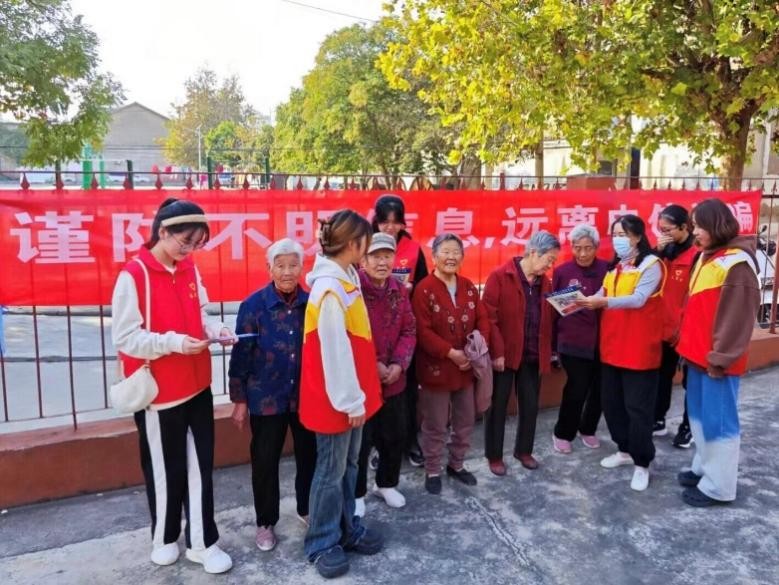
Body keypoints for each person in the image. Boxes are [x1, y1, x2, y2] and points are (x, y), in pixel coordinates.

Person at [111, 198, 235, 574]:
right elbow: (126, 338)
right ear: (162, 231)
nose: (189, 249)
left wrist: (216, 330)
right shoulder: (134, 275)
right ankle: (164, 537)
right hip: (160, 392)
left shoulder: (189, 268)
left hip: (197, 384)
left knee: (200, 468)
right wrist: (175, 342)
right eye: (185, 241)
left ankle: (202, 542)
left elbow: (200, 314)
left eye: (197, 243)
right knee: (166, 471)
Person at [299, 209, 384, 579]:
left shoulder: (345, 277)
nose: (369, 248)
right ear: (353, 244)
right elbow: (334, 351)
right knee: (330, 472)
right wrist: (351, 401)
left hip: (351, 396)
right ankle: (321, 541)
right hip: (338, 399)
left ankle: (346, 528)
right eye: (366, 242)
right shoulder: (330, 289)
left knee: (349, 466)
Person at [228, 238, 316, 552]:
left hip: (305, 396)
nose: (287, 271)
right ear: (270, 269)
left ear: (302, 267)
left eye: (293, 265)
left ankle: (307, 508)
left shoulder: (312, 303)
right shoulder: (253, 306)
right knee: (265, 460)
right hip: (265, 398)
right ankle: (265, 522)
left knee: (310, 456)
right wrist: (239, 400)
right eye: (281, 265)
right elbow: (241, 355)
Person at [675, 199, 760, 507]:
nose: (695, 232)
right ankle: (704, 467)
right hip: (697, 356)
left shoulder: (737, 263)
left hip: (716, 362)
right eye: (694, 225)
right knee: (700, 419)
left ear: (717, 225)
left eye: (700, 226)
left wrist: (720, 359)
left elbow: (737, 319)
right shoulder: (707, 255)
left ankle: (719, 487)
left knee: (719, 424)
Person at [577, 214, 665, 492]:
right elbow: (601, 292)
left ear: (637, 236)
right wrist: (580, 300)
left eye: (622, 234)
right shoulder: (615, 267)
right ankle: (624, 449)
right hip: (612, 347)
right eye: (614, 234)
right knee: (612, 404)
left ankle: (642, 463)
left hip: (639, 349)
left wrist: (602, 302)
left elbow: (638, 299)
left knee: (638, 409)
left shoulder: (651, 265)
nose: (617, 240)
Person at [412, 233, 490, 494]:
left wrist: (473, 351)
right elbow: (422, 331)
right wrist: (450, 353)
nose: (451, 257)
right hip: (436, 369)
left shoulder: (468, 286)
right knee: (435, 424)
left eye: (456, 252)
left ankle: (456, 464)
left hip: (466, 368)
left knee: (465, 420)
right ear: (434, 257)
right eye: (445, 252)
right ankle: (433, 468)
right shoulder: (424, 289)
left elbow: (483, 320)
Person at [482, 231, 559, 475]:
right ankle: (494, 455)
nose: (550, 265)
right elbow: (489, 319)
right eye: (549, 259)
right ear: (534, 253)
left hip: (532, 355)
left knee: (530, 405)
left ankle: (524, 451)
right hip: (504, 356)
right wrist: (497, 352)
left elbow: (548, 317)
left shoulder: (545, 283)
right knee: (497, 406)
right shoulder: (500, 276)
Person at [354, 233, 417, 516]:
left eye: (387, 256)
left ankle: (386, 484)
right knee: (361, 442)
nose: (382, 262)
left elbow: (409, 329)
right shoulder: (353, 291)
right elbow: (352, 335)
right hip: (363, 382)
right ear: (363, 260)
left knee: (395, 435)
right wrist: (375, 364)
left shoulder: (399, 290)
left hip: (394, 379)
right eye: (375, 256)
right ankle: (356, 493)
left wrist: (399, 364)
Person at [372, 194, 428, 467]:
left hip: (405, 330)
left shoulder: (414, 249)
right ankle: (376, 447)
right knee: (375, 392)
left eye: (396, 222)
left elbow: (425, 287)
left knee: (407, 391)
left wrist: (411, 289)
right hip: (373, 332)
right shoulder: (365, 244)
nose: (390, 227)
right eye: (385, 221)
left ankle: (410, 441)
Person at [551, 224, 609, 455]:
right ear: (571, 247)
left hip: (604, 341)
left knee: (601, 390)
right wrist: (553, 347)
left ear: (596, 247)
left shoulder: (608, 269)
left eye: (588, 248)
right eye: (577, 248)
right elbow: (554, 310)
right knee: (576, 389)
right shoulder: (562, 272)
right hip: (573, 341)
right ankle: (563, 432)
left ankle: (588, 428)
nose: (582, 253)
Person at [653, 205, 698, 447]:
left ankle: (688, 427)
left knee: (691, 381)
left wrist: (684, 326)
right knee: (662, 376)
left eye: (668, 229)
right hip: (663, 327)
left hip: (687, 329)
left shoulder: (696, 255)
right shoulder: (665, 252)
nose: (664, 234)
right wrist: (657, 252)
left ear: (684, 227)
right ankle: (658, 418)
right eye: (661, 229)